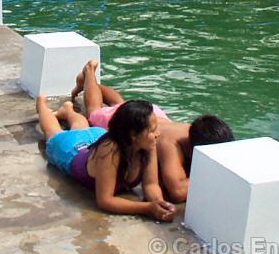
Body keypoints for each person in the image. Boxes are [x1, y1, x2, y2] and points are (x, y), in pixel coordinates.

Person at [72, 59, 234, 203]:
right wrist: (216, 174)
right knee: (94, 111)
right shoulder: (170, 144)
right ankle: (89, 73)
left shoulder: (200, 131)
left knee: (120, 103)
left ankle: (90, 83)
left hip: (153, 119)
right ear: (193, 149)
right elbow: (177, 192)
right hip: (148, 122)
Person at [36, 95, 177, 222]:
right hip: (72, 150)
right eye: (152, 130)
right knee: (53, 131)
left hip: (97, 136)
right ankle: (42, 105)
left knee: (82, 127)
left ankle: (68, 111)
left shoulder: (148, 145)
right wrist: (146, 208)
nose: (157, 134)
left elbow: (150, 185)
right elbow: (105, 200)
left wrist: (160, 204)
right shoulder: (110, 151)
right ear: (133, 134)